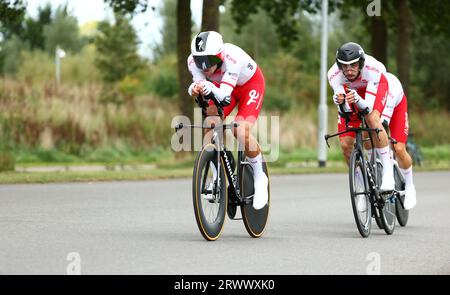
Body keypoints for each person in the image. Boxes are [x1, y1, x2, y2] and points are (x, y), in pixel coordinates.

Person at [187, 31, 268, 210]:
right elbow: (200, 86)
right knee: (210, 123)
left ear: (220, 55)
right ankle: (217, 173)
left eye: (209, 60)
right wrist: (194, 88)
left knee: (239, 129)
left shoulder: (232, 57)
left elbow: (224, 95)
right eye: (200, 60)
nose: (204, 66)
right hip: (222, 86)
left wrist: (207, 86)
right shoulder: (192, 62)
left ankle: (260, 176)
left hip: (249, 86)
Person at [328, 42, 395, 194]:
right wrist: (339, 101)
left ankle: (388, 173)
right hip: (352, 91)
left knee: (372, 119)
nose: (349, 70)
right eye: (344, 66)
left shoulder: (373, 69)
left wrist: (357, 99)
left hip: (375, 86)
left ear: (361, 63)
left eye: (353, 65)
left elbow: (367, 108)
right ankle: (361, 185)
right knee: (346, 145)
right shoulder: (334, 75)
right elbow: (345, 111)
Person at [380, 72, 416, 209]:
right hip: (377, 109)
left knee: (398, 148)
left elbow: (383, 124)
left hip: (396, 108)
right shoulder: (365, 86)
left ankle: (410, 185)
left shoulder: (390, 89)